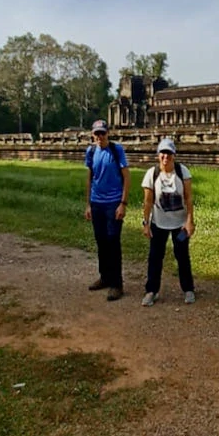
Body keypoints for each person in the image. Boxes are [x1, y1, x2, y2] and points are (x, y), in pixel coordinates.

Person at [140, 138, 195, 306]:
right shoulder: (152, 174)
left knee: (182, 256)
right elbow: (148, 202)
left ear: (174, 155)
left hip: (179, 223)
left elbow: (188, 197)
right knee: (155, 257)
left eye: (169, 153)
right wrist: (146, 223)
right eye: (163, 153)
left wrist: (190, 221)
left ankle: (188, 289)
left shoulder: (182, 171)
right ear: (158, 155)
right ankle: (151, 291)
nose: (166, 157)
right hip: (159, 222)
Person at [84, 119, 130, 301]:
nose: (99, 137)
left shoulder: (116, 150)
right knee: (101, 242)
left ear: (108, 133)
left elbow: (127, 177)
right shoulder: (91, 151)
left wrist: (123, 203)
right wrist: (88, 204)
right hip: (97, 203)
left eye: (102, 133)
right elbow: (89, 178)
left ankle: (116, 284)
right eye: (96, 134)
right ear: (92, 135)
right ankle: (104, 277)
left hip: (113, 203)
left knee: (113, 242)